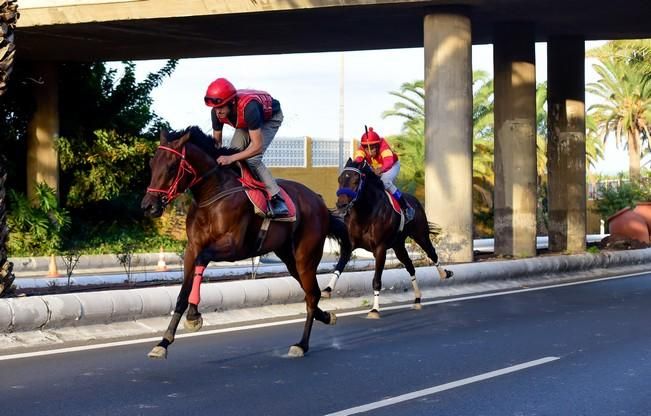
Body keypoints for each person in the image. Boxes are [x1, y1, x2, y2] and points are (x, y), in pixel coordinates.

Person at [204, 77, 289, 217]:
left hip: (269, 119)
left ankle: (277, 198)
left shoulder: (250, 109)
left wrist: (230, 158)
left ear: (231, 102)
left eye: (221, 106)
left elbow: (257, 147)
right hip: (246, 122)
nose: (218, 111)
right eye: (215, 108)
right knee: (234, 154)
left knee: (252, 159)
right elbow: (216, 145)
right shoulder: (216, 112)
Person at [353, 126, 414, 220]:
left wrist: (380, 170)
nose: (369, 151)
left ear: (377, 145)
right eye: (366, 148)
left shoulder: (384, 146)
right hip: (376, 168)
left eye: (372, 148)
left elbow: (388, 162)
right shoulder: (362, 149)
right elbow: (358, 160)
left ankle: (406, 207)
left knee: (385, 181)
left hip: (392, 166)